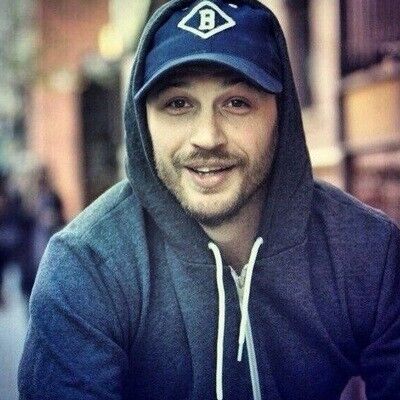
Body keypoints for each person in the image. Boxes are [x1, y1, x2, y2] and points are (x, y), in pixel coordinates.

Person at [18, 0, 400, 399]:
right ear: (143, 120)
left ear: (280, 114)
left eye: (237, 103)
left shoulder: (366, 251)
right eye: (178, 104)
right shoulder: (87, 267)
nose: (208, 137)